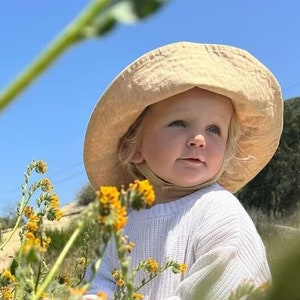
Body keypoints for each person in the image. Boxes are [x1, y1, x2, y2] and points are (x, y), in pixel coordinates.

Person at [82, 42, 283, 299]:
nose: (199, 139)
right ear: (134, 147)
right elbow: (100, 282)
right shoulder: (124, 221)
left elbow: (223, 287)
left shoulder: (218, 212)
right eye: (179, 123)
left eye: (214, 129)